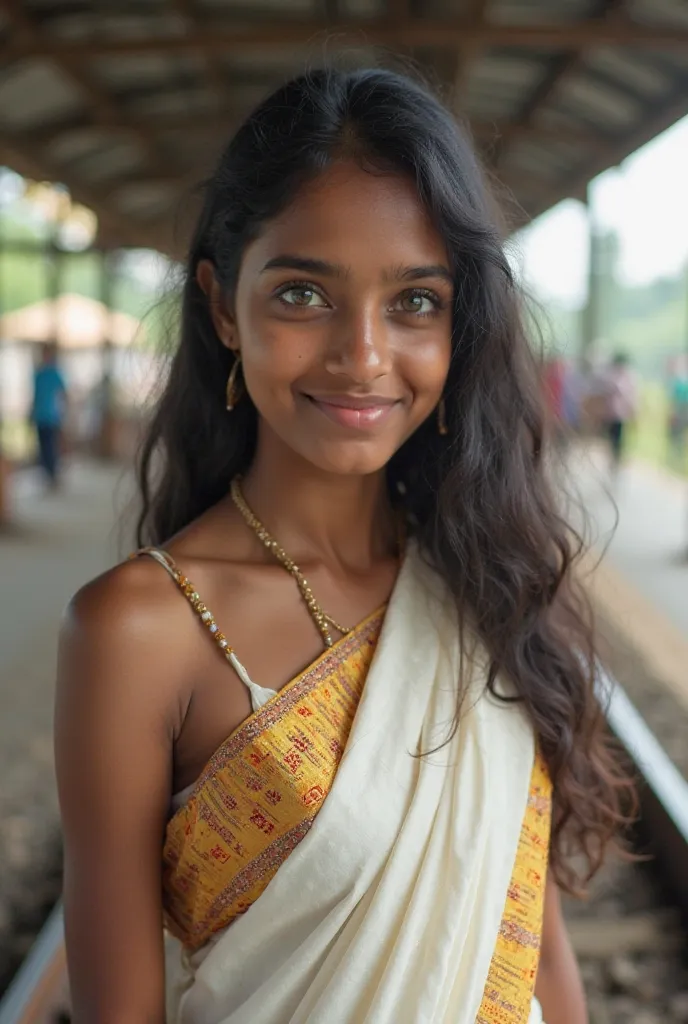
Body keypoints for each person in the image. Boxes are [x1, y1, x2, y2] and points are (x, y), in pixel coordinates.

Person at [55, 69, 631, 1024]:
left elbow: (525, 934)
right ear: (223, 307)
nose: (362, 355)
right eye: (302, 295)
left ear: (461, 323)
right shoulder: (139, 629)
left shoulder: (481, 576)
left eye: (414, 302)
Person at [30, 341, 67, 487]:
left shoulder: (54, 373)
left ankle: (53, 474)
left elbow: (63, 393)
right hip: (40, 416)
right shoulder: (38, 374)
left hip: (52, 417)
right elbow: (35, 396)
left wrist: (64, 412)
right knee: (42, 447)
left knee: (51, 446)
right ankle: (47, 474)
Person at [599, 352, 637, 474]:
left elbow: (631, 395)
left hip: (621, 414)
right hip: (611, 413)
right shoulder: (611, 376)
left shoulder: (628, 376)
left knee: (619, 437)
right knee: (612, 437)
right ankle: (613, 457)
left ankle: (617, 458)